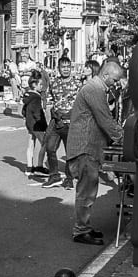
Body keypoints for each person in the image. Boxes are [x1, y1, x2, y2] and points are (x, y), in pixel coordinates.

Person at [65, 58, 125, 245]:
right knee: (86, 191)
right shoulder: (94, 89)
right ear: (105, 75)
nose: (115, 84)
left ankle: (85, 226)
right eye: (114, 80)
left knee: (89, 190)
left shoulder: (96, 88)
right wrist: (123, 138)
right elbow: (105, 119)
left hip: (89, 147)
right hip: (85, 147)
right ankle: (81, 230)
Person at [42, 56, 81, 187]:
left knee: (70, 152)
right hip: (56, 120)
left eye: (67, 67)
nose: (65, 70)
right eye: (63, 67)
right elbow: (50, 100)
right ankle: (54, 176)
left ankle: (69, 179)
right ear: (58, 68)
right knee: (50, 147)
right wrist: (51, 116)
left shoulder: (77, 84)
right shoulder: (53, 83)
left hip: (71, 121)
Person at [21, 71, 48, 175]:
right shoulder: (36, 97)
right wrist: (44, 124)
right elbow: (37, 113)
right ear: (34, 85)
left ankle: (29, 166)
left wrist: (27, 117)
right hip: (37, 125)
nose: (42, 86)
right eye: (40, 84)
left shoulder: (28, 97)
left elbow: (23, 111)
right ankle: (40, 165)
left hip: (29, 123)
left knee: (31, 143)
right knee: (45, 143)